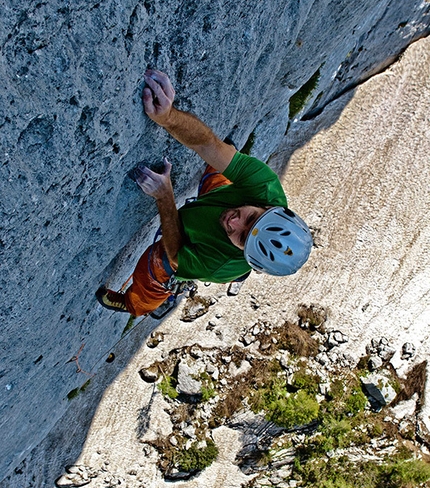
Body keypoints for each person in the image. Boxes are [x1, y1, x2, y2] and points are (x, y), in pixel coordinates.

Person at [96, 69, 313, 317]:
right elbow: (208, 145)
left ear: (243, 252)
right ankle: (242, 251)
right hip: (222, 206)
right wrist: (168, 117)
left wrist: (165, 197)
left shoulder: (220, 264)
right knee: (222, 160)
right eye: (251, 218)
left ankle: (136, 306)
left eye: (242, 237)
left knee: (157, 270)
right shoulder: (265, 187)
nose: (235, 221)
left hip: (200, 252)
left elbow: (175, 256)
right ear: (270, 207)